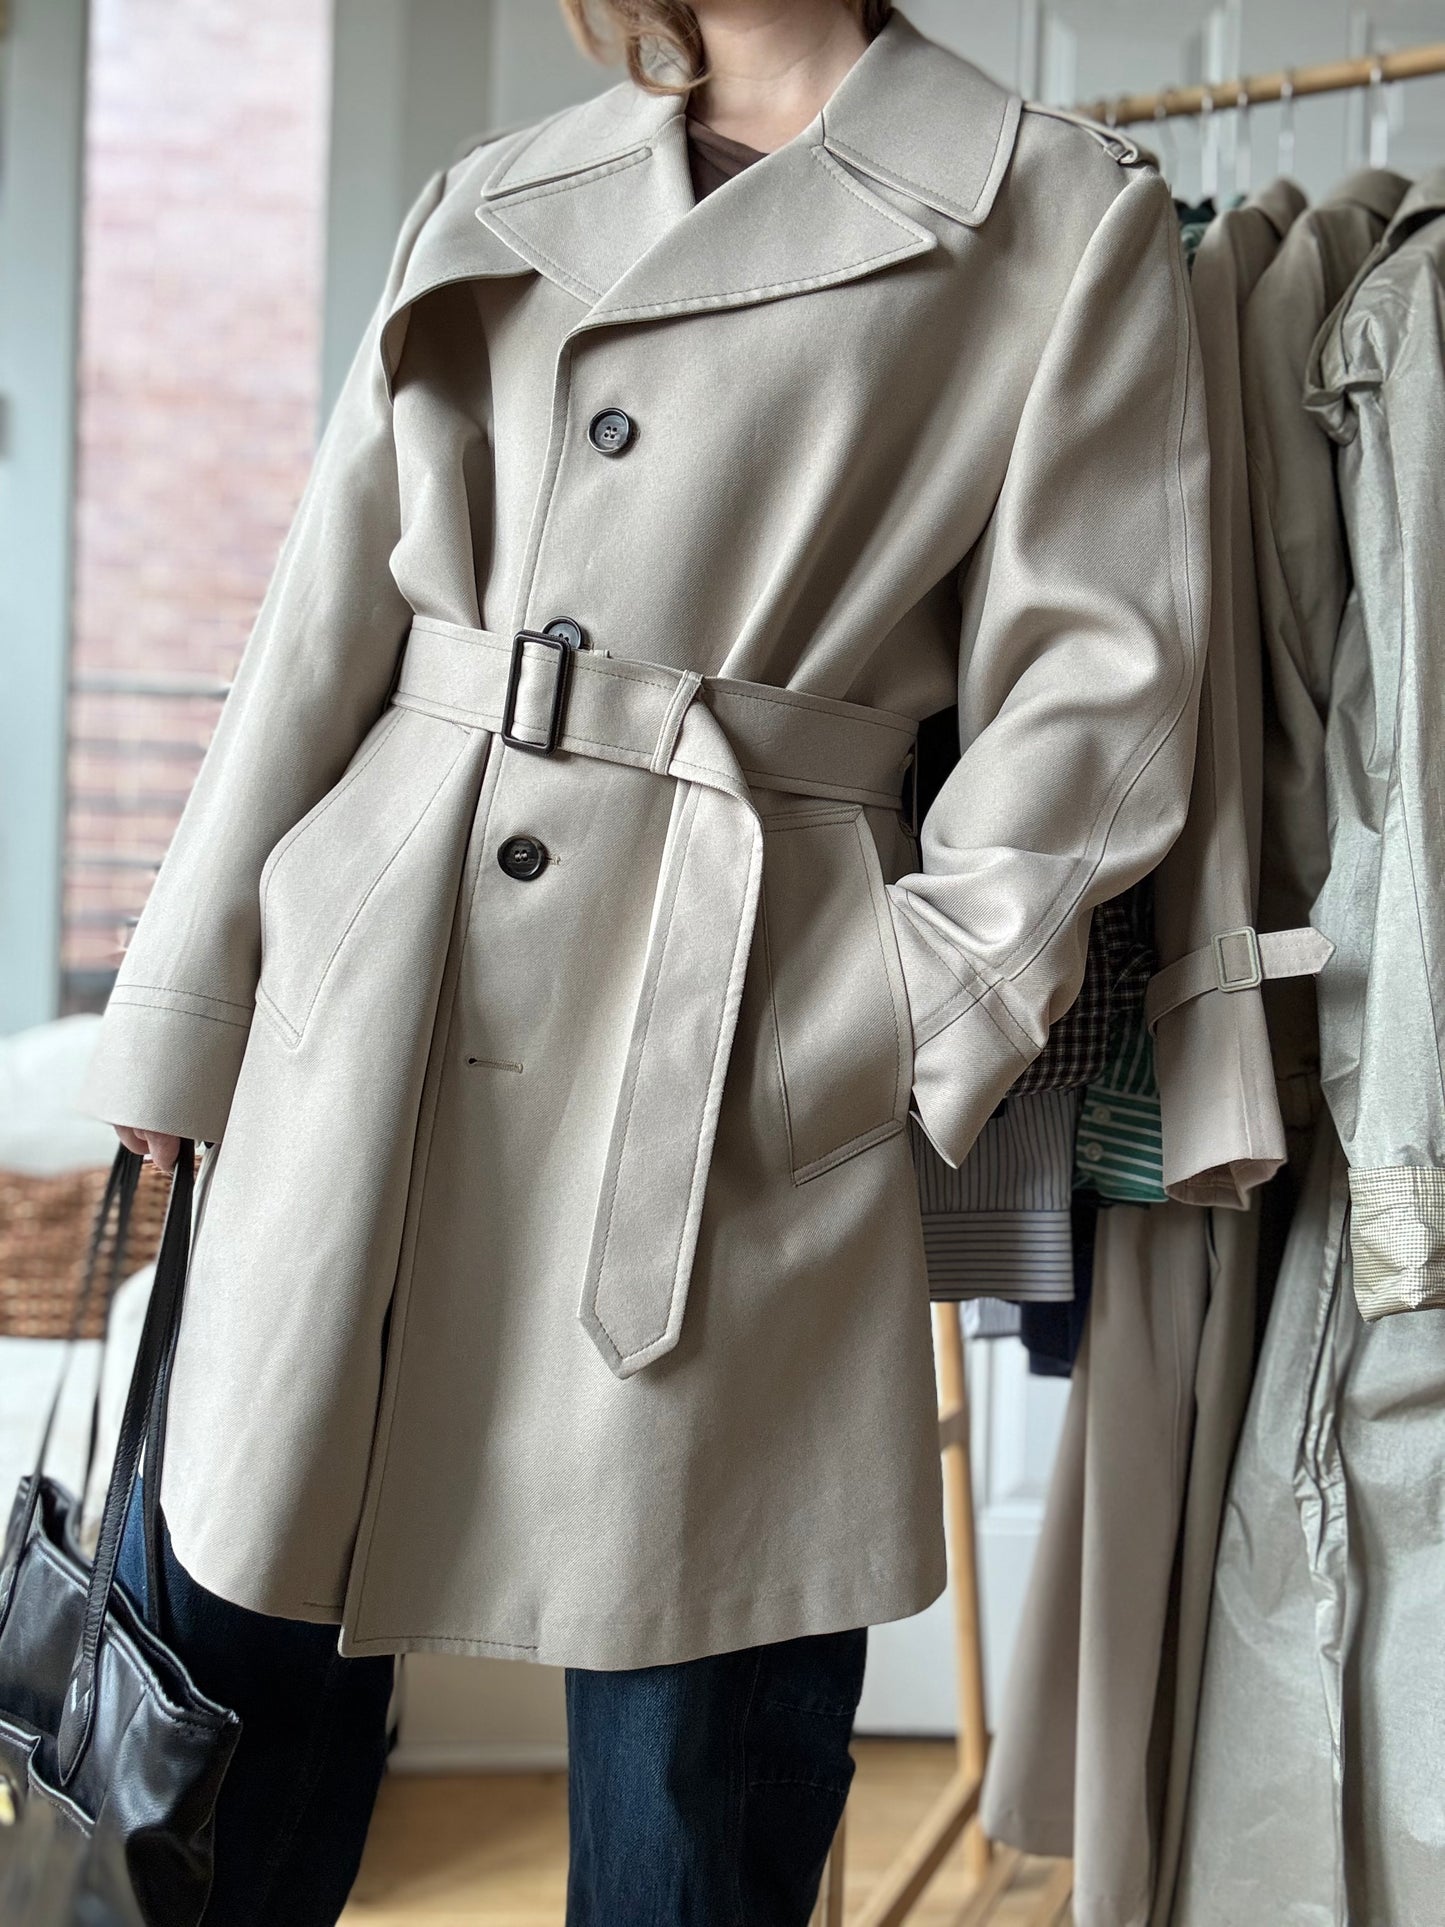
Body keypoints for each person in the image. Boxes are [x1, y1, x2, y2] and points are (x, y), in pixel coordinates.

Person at [93, 1, 1211, 1920]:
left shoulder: (1047, 210)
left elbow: (1097, 700)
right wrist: (187, 1020)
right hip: (372, 981)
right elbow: (315, 624)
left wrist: (882, 1028)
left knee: (694, 1760)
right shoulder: (501, 194)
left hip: (732, 1017)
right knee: (227, 1687)